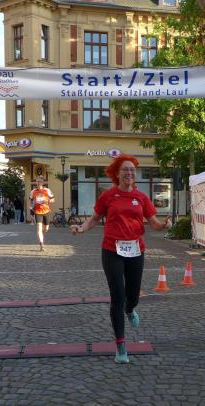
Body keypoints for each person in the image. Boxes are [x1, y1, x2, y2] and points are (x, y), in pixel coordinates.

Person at [70, 154, 171, 364]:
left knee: (133, 295)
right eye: (125, 169)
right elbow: (94, 219)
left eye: (132, 170)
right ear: (117, 174)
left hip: (135, 251)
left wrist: (163, 226)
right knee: (117, 296)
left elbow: (153, 222)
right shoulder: (108, 196)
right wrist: (81, 228)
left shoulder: (141, 197)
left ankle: (130, 308)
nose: (129, 172)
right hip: (112, 251)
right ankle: (121, 346)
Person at [31, 178, 54, 251]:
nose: (39, 183)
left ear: (43, 183)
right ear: (36, 183)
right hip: (37, 212)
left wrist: (50, 200)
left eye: (40, 181)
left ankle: (41, 234)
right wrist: (31, 210)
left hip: (46, 211)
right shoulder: (33, 191)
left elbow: (53, 198)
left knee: (46, 228)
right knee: (39, 229)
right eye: (37, 181)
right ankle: (41, 244)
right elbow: (31, 201)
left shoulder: (47, 190)